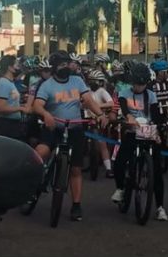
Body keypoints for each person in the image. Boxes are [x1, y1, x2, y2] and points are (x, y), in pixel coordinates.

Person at [33, 51, 110, 222]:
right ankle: (33, 182)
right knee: (41, 152)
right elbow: (37, 105)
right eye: (61, 64)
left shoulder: (77, 81)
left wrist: (100, 114)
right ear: (54, 67)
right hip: (54, 127)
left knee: (76, 168)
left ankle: (76, 204)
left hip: (75, 128)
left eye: (67, 63)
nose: (65, 67)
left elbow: (89, 100)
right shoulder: (47, 85)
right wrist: (46, 115)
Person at [111, 62, 168, 221]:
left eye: (142, 84)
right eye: (137, 83)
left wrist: (158, 128)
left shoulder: (151, 95)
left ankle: (160, 207)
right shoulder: (124, 93)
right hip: (131, 131)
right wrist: (129, 119)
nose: (139, 87)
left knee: (157, 171)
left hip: (148, 132)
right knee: (120, 162)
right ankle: (121, 188)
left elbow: (156, 114)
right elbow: (124, 110)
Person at [87, 69, 116, 176]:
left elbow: (111, 103)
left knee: (102, 143)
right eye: (91, 80)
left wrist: (96, 106)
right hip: (86, 119)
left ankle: (108, 168)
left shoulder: (102, 92)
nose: (92, 83)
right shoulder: (86, 91)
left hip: (99, 119)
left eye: (95, 81)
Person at [0, 55, 26, 141]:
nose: (18, 66)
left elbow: (10, 103)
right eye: (16, 64)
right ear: (9, 67)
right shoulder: (4, 83)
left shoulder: (10, 83)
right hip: (6, 125)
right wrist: (20, 108)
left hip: (13, 124)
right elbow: (0, 107)